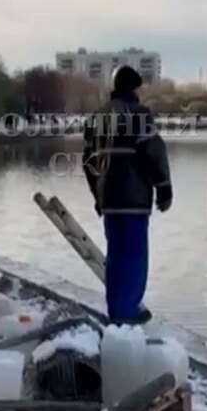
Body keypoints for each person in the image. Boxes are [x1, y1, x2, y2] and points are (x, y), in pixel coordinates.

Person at [82, 65, 172, 325]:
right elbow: (154, 153)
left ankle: (115, 308)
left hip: (109, 200)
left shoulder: (97, 117)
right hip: (134, 200)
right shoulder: (139, 115)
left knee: (116, 256)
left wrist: (97, 195)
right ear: (135, 88)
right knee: (134, 256)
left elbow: (88, 162)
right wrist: (164, 188)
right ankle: (128, 311)